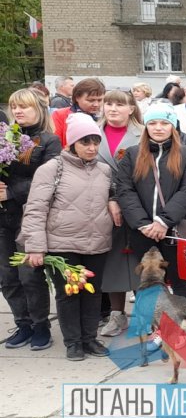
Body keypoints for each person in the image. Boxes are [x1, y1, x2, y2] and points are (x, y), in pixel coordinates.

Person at [18, 114, 114, 360]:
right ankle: (73, 342)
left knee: (93, 293)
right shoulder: (52, 169)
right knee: (69, 293)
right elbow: (36, 209)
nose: (92, 148)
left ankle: (90, 338)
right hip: (63, 244)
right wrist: (35, 247)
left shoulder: (104, 170)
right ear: (72, 143)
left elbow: (113, 196)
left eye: (96, 142)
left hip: (97, 243)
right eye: (85, 142)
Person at [110, 104, 186, 336]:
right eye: (153, 123)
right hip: (142, 231)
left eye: (164, 123)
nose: (158, 128)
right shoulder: (132, 154)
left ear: (173, 126)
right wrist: (142, 223)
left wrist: (163, 221)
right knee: (146, 281)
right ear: (146, 127)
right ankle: (152, 326)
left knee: (179, 279)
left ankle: (184, 324)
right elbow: (124, 189)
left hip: (173, 229)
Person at [1, 88, 63, 350]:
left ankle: (40, 326)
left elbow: (51, 180)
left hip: (30, 217)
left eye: (24, 106)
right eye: (14, 106)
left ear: (38, 108)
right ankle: (22, 323)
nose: (18, 111)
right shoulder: (5, 138)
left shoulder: (48, 141)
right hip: (4, 216)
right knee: (7, 277)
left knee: (29, 275)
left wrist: (11, 191)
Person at [96, 89, 143, 334]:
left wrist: (123, 198)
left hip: (136, 205)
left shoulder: (142, 134)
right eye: (108, 104)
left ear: (131, 108)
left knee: (141, 262)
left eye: (119, 104)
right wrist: (109, 199)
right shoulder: (92, 134)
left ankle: (146, 315)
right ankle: (117, 315)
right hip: (102, 207)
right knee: (112, 262)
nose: (113, 109)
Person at [50, 77, 104, 144]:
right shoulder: (60, 115)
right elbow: (55, 144)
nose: (96, 104)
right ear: (77, 97)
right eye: (91, 100)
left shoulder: (106, 118)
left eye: (100, 100)